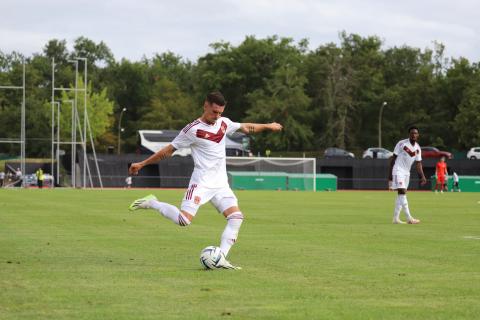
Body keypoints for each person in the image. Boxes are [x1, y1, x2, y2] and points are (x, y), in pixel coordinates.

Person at [128, 91, 283, 269]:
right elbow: (167, 151)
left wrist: (269, 125)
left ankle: (220, 258)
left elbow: (248, 128)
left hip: (221, 184)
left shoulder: (224, 123)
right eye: (214, 112)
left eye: (220, 113)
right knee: (183, 221)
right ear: (206, 105)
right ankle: (152, 202)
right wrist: (142, 163)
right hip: (200, 183)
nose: (217, 116)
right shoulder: (192, 130)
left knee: (236, 218)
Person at [388, 126, 427, 224]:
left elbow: (418, 163)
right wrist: (390, 175)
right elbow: (393, 159)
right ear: (409, 134)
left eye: (415, 133)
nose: (414, 135)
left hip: (406, 173)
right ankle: (409, 218)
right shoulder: (401, 143)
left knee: (400, 195)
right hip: (398, 170)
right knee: (402, 192)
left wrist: (422, 176)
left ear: (418, 135)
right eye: (412, 133)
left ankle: (395, 219)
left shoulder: (418, 148)